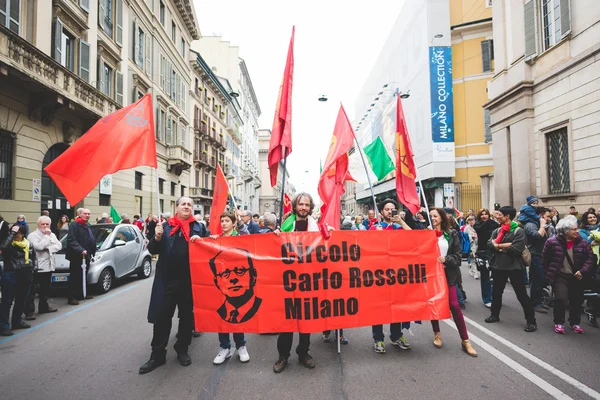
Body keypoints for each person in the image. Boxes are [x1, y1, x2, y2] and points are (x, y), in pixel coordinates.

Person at [139, 197, 209, 374]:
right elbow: (153, 250)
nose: (187, 207)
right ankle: (157, 355)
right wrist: (157, 237)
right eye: (183, 204)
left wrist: (202, 240)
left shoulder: (199, 227)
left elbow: (210, 248)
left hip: (189, 282)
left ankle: (182, 349)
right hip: (167, 281)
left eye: (189, 205)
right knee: (162, 318)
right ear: (176, 207)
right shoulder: (165, 226)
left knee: (186, 318)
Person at [273, 192, 318, 373]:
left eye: (307, 205)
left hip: (307, 280)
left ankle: (303, 352)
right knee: (287, 321)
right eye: (301, 204)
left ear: (310, 207)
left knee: (305, 320)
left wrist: (328, 232)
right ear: (295, 206)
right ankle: (283, 356)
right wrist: (275, 235)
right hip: (288, 280)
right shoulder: (285, 225)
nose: (304, 208)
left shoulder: (314, 225)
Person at [429, 208, 477, 357]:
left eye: (435, 216)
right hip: (432, 275)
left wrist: (445, 259)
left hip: (448, 274)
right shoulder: (427, 234)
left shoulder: (452, 234)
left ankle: (465, 340)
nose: (432, 218)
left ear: (442, 218)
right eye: (430, 216)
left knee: (455, 306)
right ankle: (437, 333)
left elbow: (457, 257)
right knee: (434, 304)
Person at [369, 199, 412, 354]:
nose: (389, 212)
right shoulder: (374, 228)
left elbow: (415, 239)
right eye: (386, 209)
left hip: (397, 275)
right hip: (379, 275)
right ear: (381, 212)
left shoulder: (400, 228)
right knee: (379, 308)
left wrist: (401, 223)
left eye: (392, 209)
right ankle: (378, 338)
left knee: (396, 306)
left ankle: (396, 335)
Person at [486, 206, 537, 332]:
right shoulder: (497, 230)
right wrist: (505, 246)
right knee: (496, 292)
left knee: (522, 295)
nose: (497, 217)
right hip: (498, 266)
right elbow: (489, 245)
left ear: (507, 216)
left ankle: (531, 321)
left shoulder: (519, 231)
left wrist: (497, 246)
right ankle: (494, 315)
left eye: (499, 215)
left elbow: (516, 250)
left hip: (515, 268)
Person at [210, 211, 250, 365]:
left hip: (238, 283)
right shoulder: (216, 238)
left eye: (227, 220)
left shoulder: (240, 238)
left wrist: (240, 220)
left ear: (233, 223)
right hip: (222, 284)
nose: (224, 223)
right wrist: (199, 240)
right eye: (222, 220)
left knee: (238, 313)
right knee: (222, 315)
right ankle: (224, 347)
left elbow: (248, 238)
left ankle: (241, 346)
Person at [542, 216, 593, 334]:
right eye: (573, 229)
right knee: (561, 299)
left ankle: (575, 322)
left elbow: (590, 258)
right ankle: (559, 322)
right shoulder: (551, 242)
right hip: (560, 275)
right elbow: (545, 260)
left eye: (577, 229)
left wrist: (583, 271)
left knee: (576, 301)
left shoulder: (583, 243)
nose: (577, 231)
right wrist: (548, 275)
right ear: (565, 231)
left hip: (577, 276)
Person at [0, 225, 35, 336]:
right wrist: (11, 233)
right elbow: (3, 247)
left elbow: (33, 258)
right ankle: (4, 326)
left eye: (18, 233)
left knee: (21, 300)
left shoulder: (28, 244)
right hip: (10, 274)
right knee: (7, 301)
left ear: (23, 234)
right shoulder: (9, 245)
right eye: (14, 233)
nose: (16, 235)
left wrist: (33, 269)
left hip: (25, 274)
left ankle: (17, 321)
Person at [27, 216, 62, 314]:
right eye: (43, 224)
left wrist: (48, 248)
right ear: (38, 225)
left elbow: (59, 245)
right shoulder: (32, 235)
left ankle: (43, 308)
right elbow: (38, 247)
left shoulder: (52, 234)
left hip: (49, 266)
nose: (45, 226)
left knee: (45, 290)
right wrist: (47, 237)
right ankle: (29, 312)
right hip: (37, 267)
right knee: (32, 291)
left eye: (47, 224)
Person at [522, 207, 552, 314]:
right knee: (537, 279)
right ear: (540, 216)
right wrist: (543, 225)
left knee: (541, 279)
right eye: (547, 216)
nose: (549, 219)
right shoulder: (531, 225)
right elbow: (538, 236)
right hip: (535, 255)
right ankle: (535, 303)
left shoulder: (543, 225)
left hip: (542, 255)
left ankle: (538, 300)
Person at [66, 208, 96, 305]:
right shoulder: (75, 224)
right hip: (77, 256)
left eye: (89, 213)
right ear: (79, 214)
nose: (87, 215)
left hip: (86, 255)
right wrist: (80, 249)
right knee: (75, 276)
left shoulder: (87, 225)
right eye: (85, 213)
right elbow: (71, 240)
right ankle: (72, 297)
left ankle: (82, 293)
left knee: (83, 276)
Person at [474, 208, 499, 307]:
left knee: (495, 277)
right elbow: (481, 229)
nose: (484, 216)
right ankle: (487, 299)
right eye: (482, 214)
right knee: (485, 277)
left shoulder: (492, 223)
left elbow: (499, 227)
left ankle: (495, 297)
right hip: (482, 252)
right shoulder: (477, 225)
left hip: (494, 252)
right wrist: (490, 219)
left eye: (486, 214)